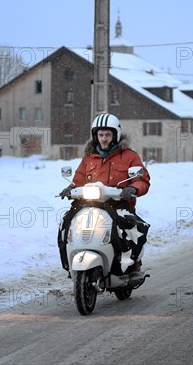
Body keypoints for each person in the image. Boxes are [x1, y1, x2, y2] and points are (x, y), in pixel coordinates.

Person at [58, 113, 150, 273]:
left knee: (131, 227)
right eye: (100, 134)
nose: (104, 138)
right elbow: (78, 179)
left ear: (116, 135)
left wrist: (133, 188)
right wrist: (69, 188)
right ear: (95, 136)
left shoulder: (129, 156)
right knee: (66, 222)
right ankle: (68, 261)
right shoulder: (89, 157)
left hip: (118, 203)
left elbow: (143, 180)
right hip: (89, 202)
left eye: (108, 134)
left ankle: (132, 262)